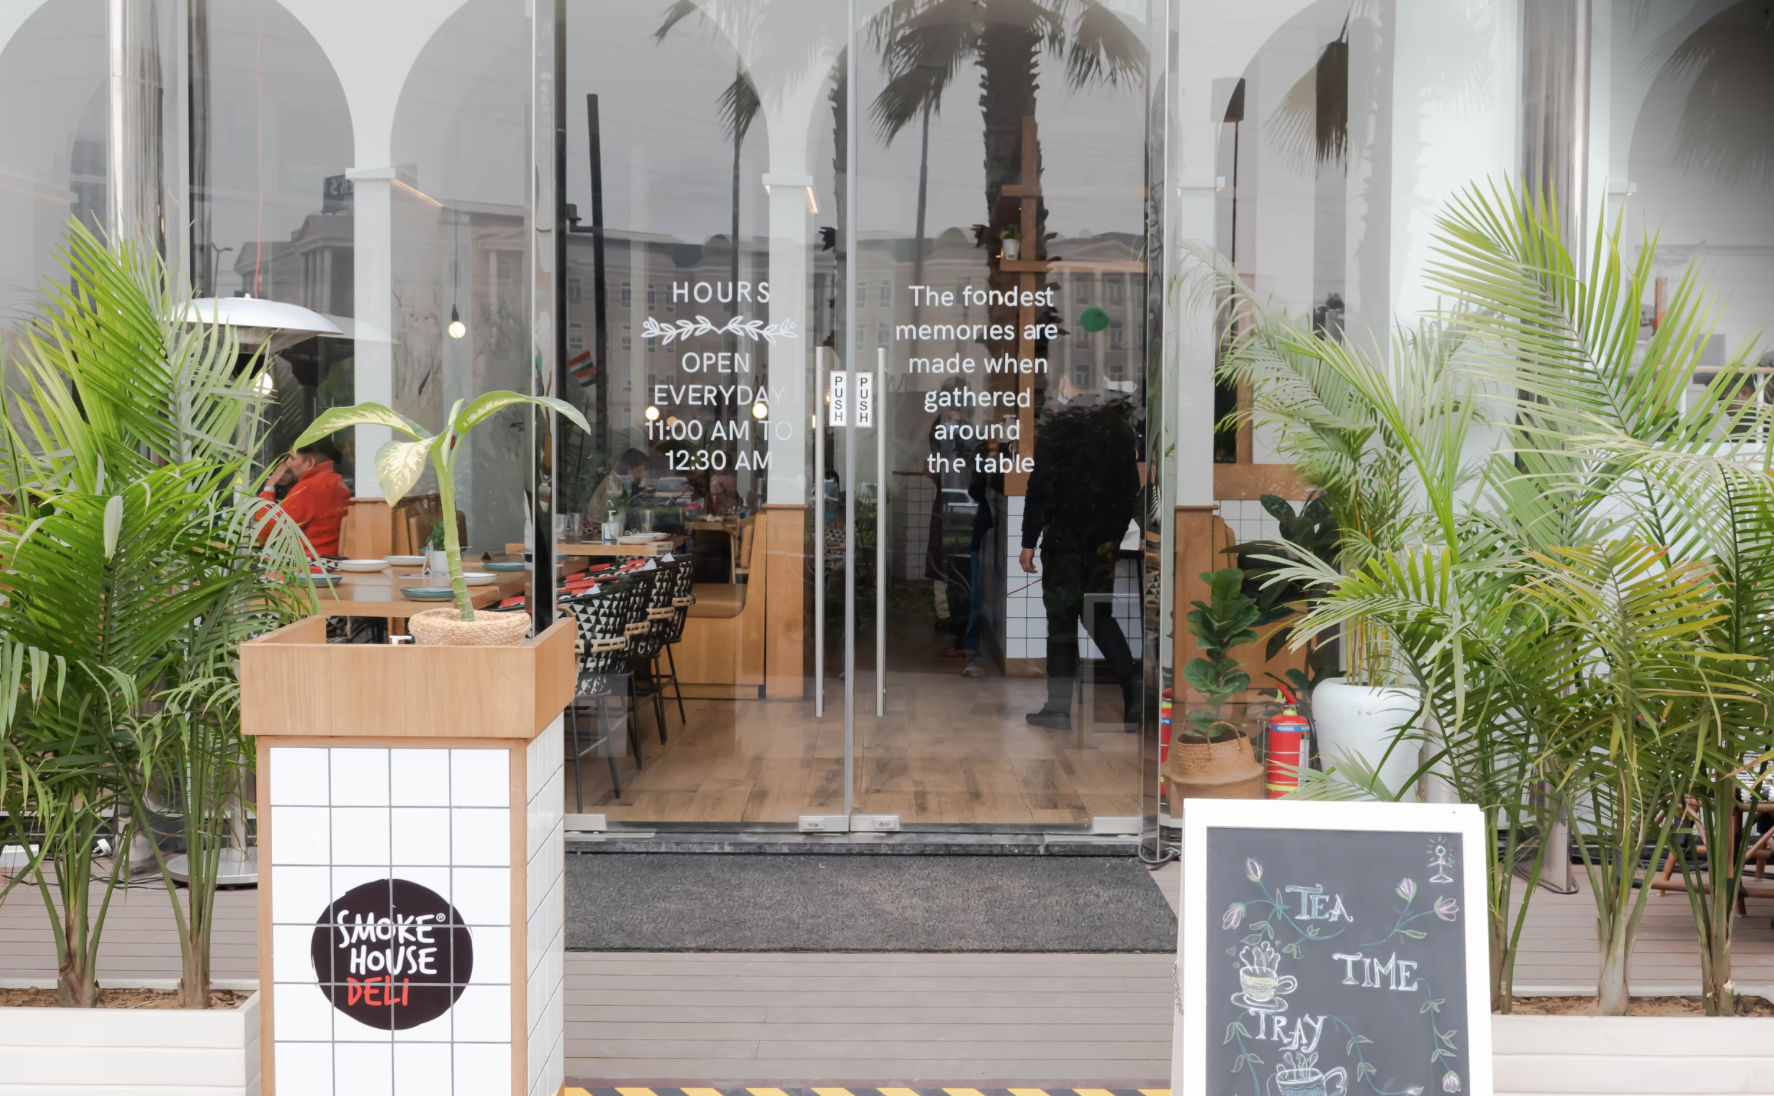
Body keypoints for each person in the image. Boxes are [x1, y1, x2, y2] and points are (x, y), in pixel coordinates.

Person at [1018, 398, 1141, 731]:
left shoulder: (1057, 431)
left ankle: (1058, 709)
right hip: (1102, 543)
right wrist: (1112, 536)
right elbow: (1131, 490)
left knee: (1061, 621)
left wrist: (1029, 541)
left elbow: (1038, 489)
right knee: (1098, 615)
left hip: (1063, 542)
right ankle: (1134, 685)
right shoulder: (1119, 431)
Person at [259, 440, 351, 557]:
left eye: (292, 458)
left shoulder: (308, 487)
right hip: (328, 558)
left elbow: (265, 531)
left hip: (305, 563)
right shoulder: (337, 481)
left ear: (310, 463)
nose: (288, 464)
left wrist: (269, 487)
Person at [587, 448, 649, 529]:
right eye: (639, 471)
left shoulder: (617, 483)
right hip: (601, 531)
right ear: (629, 470)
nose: (643, 475)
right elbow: (612, 517)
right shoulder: (613, 486)